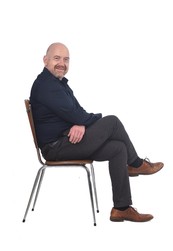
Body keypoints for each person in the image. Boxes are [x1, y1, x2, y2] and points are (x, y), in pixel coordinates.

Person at [30, 42, 164, 222]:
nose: (62, 63)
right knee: (112, 122)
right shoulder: (47, 85)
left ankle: (121, 208)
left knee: (118, 148)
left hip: (66, 140)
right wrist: (81, 121)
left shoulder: (59, 84)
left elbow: (77, 112)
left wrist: (80, 123)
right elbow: (77, 114)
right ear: (45, 60)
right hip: (56, 148)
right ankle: (136, 164)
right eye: (56, 58)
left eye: (66, 59)